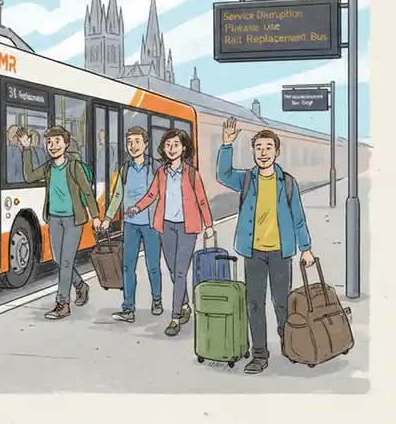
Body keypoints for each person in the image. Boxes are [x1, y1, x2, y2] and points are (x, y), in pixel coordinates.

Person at [216, 118, 315, 375]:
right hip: (254, 252)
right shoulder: (247, 179)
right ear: (253, 151)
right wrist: (226, 145)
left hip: (281, 253)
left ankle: (288, 343)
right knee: (255, 303)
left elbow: (298, 217)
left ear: (276, 152)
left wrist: (306, 248)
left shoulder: (288, 183)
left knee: (282, 303)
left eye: (268, 147)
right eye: (258, 147)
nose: (263, 152)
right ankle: (260, 354)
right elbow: (223, 175)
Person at [127, 128, 214, 337]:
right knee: (174, 272)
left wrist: (209, 225)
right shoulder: (161, 173)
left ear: (184, 148)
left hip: (187, 228)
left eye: (176, 145)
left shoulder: (192, 174)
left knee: (181, 271)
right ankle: (184, 305)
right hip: (165, 226)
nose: (171, 149)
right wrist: (138, 207)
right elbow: (151, 194)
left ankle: (175, 317)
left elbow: (201, 199)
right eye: (168, 145)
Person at [19, 126, 99, 320]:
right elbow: (29, 176)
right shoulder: (48, 167)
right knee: (58, 258)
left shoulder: (74, 166)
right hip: (54, 218)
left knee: (65, 261)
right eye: (49, 142)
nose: (53, 146)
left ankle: (62, 303)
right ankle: (81, 286)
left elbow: (87, 191)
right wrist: (27, 149)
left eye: (57, 142)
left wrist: (95, 216)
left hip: (74, 219)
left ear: (66, 144)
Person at [102, 126, 163, 322]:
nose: (133, 146)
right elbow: (118, 195)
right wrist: (108, 218)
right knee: (128, 266)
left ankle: (157, 299)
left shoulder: (155, 168)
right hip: (130, 225)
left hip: (151, 224)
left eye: (137, 141)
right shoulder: (124, 170)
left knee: (152, 265)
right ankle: (128, 307)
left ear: (146, 144)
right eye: (129, 142)